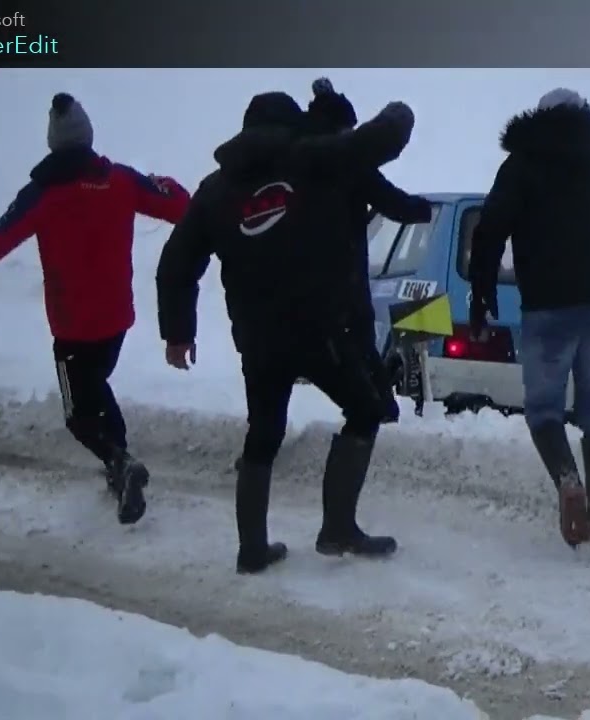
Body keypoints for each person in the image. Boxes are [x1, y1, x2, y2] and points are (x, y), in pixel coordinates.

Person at [155, 89, 416, 574]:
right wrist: (401, 112)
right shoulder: (309, 160)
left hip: (257, 338)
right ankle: (338, 528)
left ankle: (252, 549)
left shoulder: (215, 189)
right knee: (363, 410)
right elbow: (375, 143)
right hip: (318, 329)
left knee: (264, 431)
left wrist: (178, 332)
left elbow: (176, 264)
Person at [0, 92, 190, 526]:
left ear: (53, 142)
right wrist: (160, 181)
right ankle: (118, 466)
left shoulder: (42, 194)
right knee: (97, 385)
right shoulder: (120, 180)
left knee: (77, 414)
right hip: (117, 318)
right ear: (87, 137)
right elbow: (179, 205)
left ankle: (120, 463)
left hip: (72, 326)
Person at [467, 88, 590, 547]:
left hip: (545, 307)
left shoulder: (518, 169)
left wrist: (481, 295)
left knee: (543, 408)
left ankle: (567, 480)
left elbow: (490, 231)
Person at [304, 77, 434, 425]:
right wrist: (427, 210)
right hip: (344, 285)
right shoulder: (347, 162)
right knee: (362, 361)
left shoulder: (294, 160)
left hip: (296, 290)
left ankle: (262, 447)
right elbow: (393, 201)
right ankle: (379, 423)